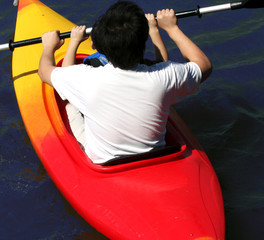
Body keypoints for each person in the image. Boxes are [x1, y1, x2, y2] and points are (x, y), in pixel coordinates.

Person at [38, 1, 212, 164]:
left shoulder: (85, 78)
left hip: (103, 160)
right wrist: (172, 28)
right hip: (156, 155)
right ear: (143, 40)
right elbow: (203, 65)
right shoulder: (164, 75)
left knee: (70, 105)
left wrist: (49, 47)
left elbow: (44, 71)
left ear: (102, 46)